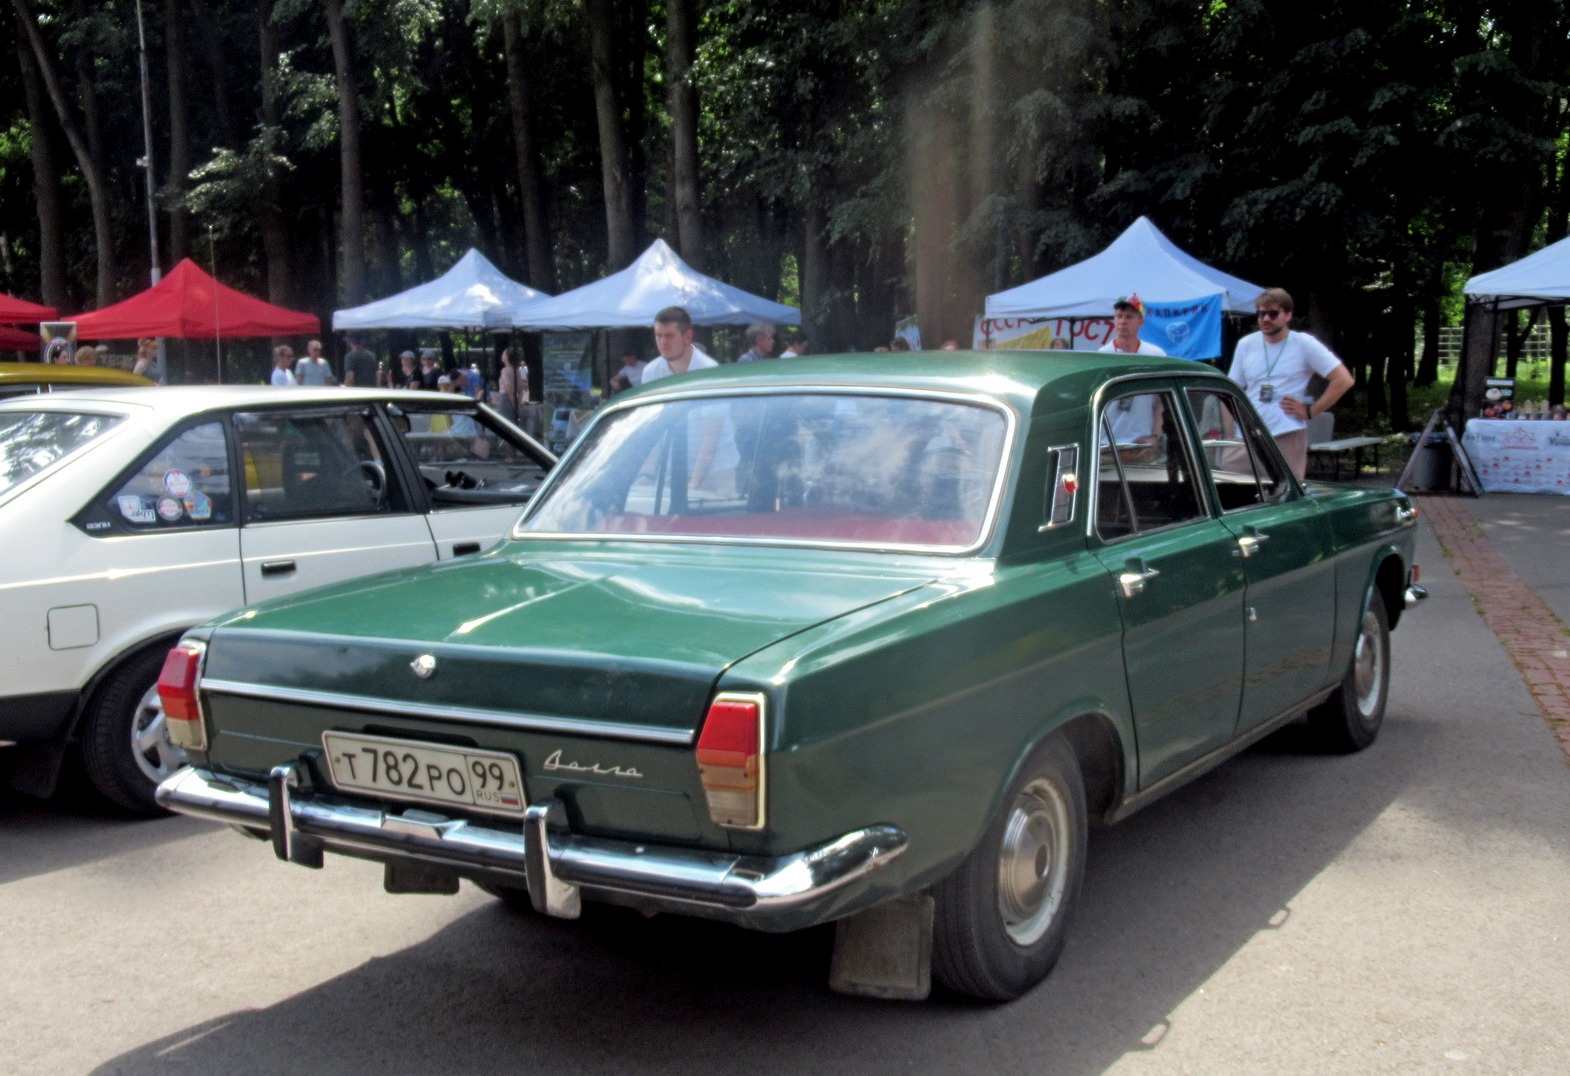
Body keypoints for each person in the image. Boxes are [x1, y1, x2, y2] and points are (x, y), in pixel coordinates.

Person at [1228, 287, 1355, 480]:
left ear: (1288, 315)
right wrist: (1229, 432)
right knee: (1234, 493)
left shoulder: (1303, 343)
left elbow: (1343, 379)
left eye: (1273, 314)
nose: (1266, 319)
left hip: (1286, 432)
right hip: (1248, 433)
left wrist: (1310, 411)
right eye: (1261, 314)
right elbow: (1232, 389)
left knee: (1286, 497)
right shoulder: (1246, 344)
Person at [642, 306, 717, 382]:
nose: (663, 342)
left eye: (669, 336)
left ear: (688, 336)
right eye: (658, 335)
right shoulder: (650, 372)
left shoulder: (710, 371)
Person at [1098, 294, 1166, 357]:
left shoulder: (1155, 355)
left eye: (1129, 317)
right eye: (1119, 316)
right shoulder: (1103, 355)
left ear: (1140, 322)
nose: (1122, 321)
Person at [496, 347, 527, 417]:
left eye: (503, 353)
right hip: (515, 399)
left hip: (505, 401)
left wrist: (513, 405)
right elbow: (521, 389)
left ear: (507, 357)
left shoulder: (505, 371)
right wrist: (518, 404)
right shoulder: (517, 371)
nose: (502, 355)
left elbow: (508, 389)